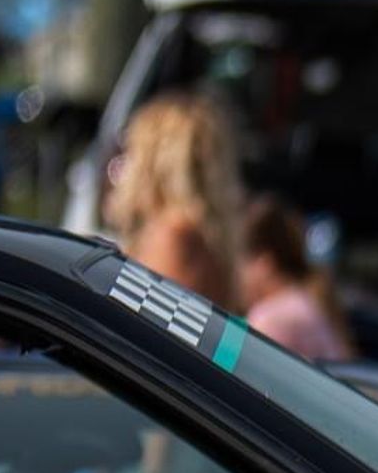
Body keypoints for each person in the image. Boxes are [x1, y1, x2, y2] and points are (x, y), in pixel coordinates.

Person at [103, 91, 247, 306]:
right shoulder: (202, 232)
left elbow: (146, 321)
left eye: (132, 151)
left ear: (154, 162)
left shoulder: (175, 236)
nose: (125, 163)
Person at [237, 195, 351, 362]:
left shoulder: (272, 319)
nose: (239, 277)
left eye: (242, 263)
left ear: (264, 263)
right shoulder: (306, 301)